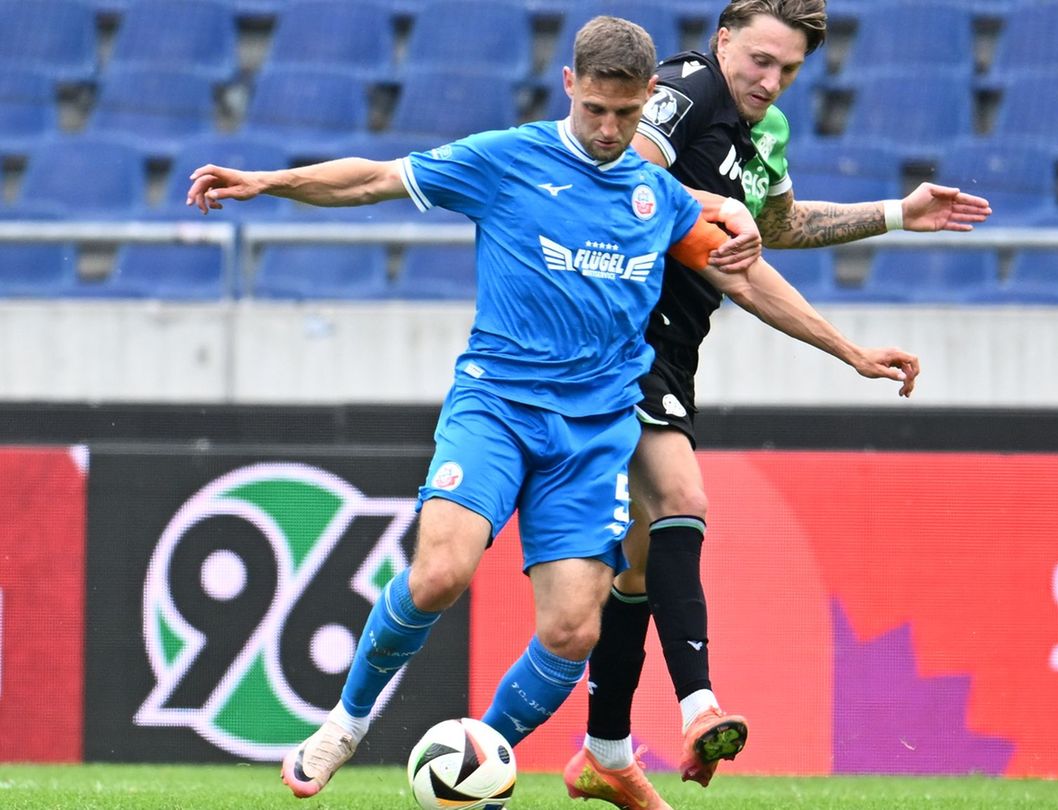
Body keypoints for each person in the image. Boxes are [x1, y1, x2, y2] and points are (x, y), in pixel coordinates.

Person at [186, 15, 919, 808]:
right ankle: (345, 724)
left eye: (626, 115)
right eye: (596, 110)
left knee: (575, 630)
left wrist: (850, 351)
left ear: (647, 103)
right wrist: (268, 182)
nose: (609, 130)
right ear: (570, 87)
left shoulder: (659, 197)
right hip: (497, 407)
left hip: (594, 433)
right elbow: (375, 178)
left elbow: (745, 277)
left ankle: (477, 758)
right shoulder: (508, 159)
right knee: (440, 574)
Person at [569, 0, 991, 803]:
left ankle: (605, 750)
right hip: (623, 339)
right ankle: (698, 707)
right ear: (723, 39)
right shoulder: (685, 93)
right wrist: (722, 229)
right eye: (759, 60)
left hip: (674, 346)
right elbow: (622, 180)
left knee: (634, 569)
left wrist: (897, 215)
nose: (770, 80)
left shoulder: (764, 133)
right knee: (679, 498)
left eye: (789, 70)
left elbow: (779, 227)